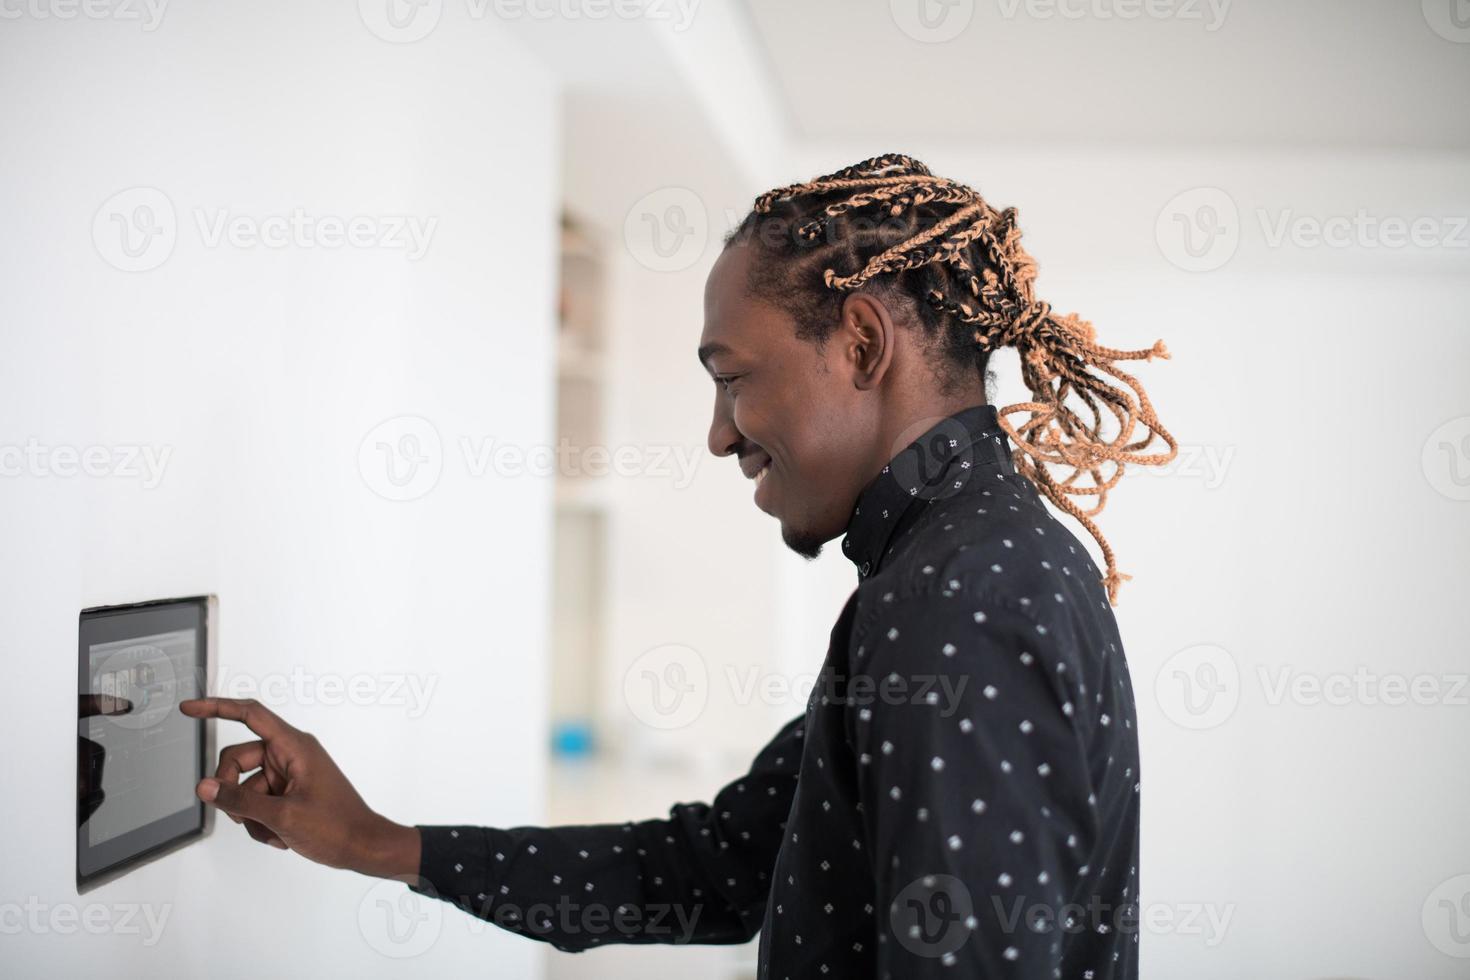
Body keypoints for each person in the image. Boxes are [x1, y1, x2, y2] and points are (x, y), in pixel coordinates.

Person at [180, 154, 1177, 978]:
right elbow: (716, 867)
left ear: (863, 345)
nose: (717, 433)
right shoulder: (956, 566)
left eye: (733, 377)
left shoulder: (955, 597)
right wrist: (371, 838)